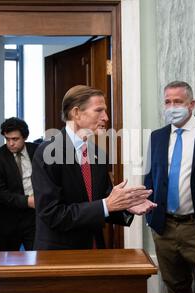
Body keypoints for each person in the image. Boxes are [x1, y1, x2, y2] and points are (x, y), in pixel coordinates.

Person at [31, 85, 155, 250]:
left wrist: (126, 205)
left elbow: (102, 200)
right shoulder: (48, 152)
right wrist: (107, 204)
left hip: (94, 249)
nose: (106, 117)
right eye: (99, 110)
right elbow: (52, 214)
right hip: (59, 255)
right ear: (76, 113)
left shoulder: (97, 153)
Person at [144, 81, 195, 293]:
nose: (172, 107)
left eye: (178, 102)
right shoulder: (157, 136)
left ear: (192, 104)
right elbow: (150, 178)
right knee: (175, 290)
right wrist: (151, 217)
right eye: (167, 102)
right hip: (165, 227)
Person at [0, 117, 38, 251]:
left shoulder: (38, 151)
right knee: (8, 264)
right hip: (8, 219)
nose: (10, 144)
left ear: (25, 137)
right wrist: (28, 201)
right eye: (7, 139)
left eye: (15, 139)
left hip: (35, 217)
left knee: (38, 258)